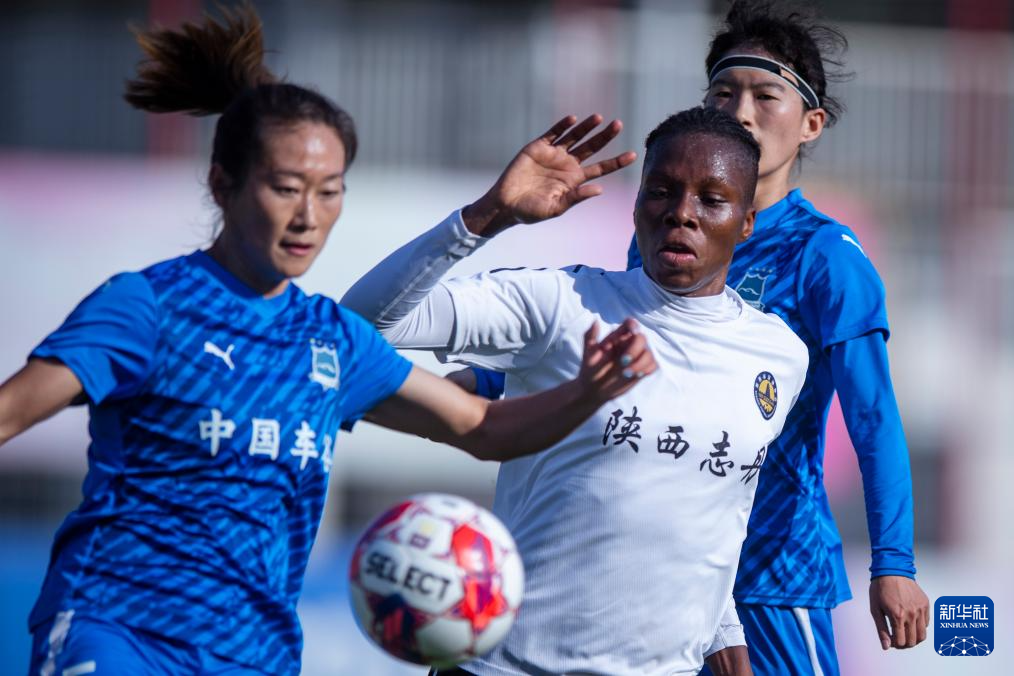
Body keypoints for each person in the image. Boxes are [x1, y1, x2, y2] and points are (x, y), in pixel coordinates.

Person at [0, 8, 657, 676]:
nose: (308, 216)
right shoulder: (148, 307)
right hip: (119, 635)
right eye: (286, 188)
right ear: (223, 184)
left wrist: (589, 391)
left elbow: (481, 427)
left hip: (254, 657)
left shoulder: (330, 339)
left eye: (329, 191)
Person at [465, 2, 931, 674]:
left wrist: (894, 563)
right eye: (723, 93)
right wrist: (483, 380)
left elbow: (874, 416)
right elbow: (613, 351)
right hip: (659, 570)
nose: (741, 111)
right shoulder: (662, 234)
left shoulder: (826, 257)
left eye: (765, 96)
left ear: (811, 124)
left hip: (769, 574)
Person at [341, 106, 810, 675]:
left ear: (747, 221)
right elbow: (359, 327)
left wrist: (725, 637)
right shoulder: (562, 304)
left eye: (712, 200)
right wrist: (488, 215)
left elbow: (714, 520)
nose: (681, 213)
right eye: (662, 191)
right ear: (636, 205)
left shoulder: (780, 355)